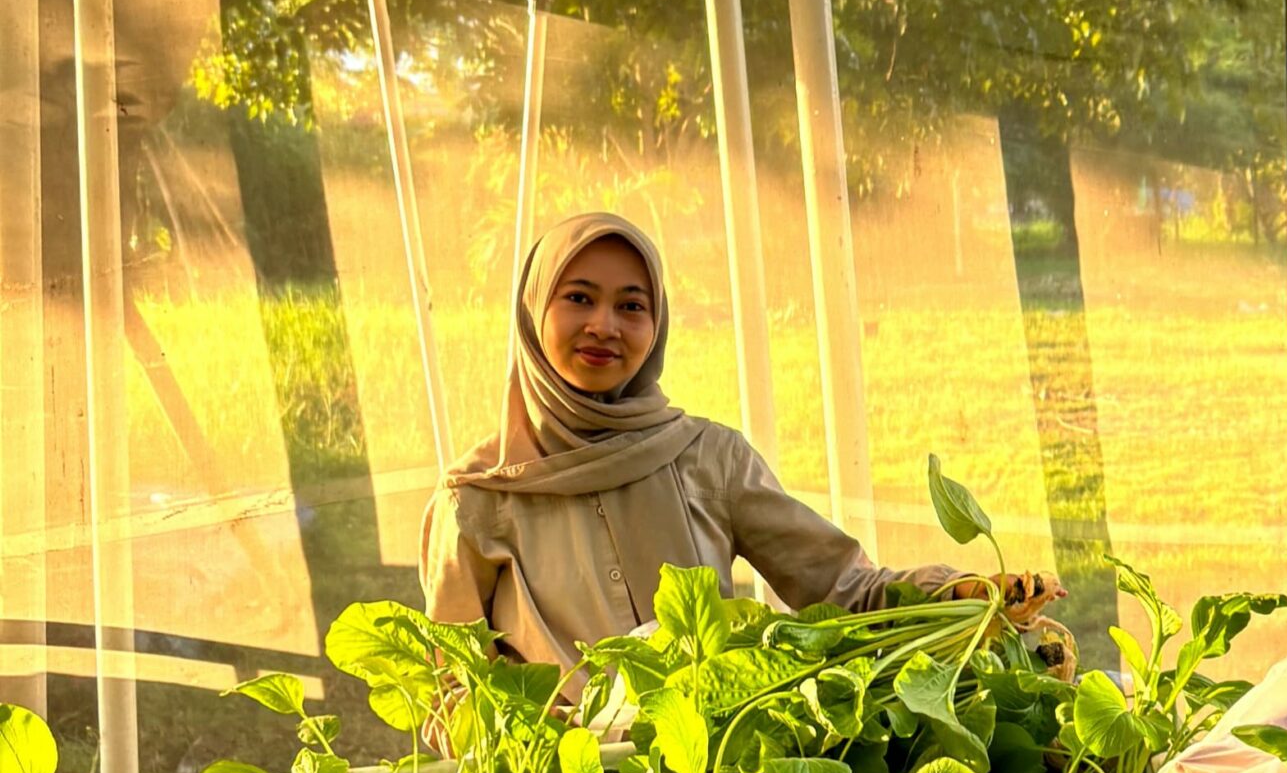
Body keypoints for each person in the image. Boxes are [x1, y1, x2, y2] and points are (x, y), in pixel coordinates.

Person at [423, 211, 1058, 679]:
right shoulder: (477, 501)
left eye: (632, 305)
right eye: (579, 298)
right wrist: (559, 747)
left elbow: (842, 587)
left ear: (658, 323)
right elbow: (448, 694)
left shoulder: (707, 460)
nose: (604, 327)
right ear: (536, 311)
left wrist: (959, 594)